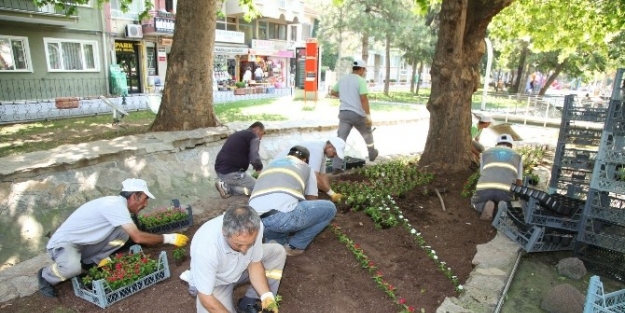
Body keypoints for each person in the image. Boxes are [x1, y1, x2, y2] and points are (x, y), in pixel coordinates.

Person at [37, 178, 189, 298]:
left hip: (84, 245)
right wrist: (169, 238)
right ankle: (46, 276)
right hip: (64, 245)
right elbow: (138, 237)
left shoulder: (117, 205)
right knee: (72, 269)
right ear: (134, 196)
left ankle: (90, 264)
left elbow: (131, 234)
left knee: (123, 233)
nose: (146, 204)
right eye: (144, 199)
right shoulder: (114, 205)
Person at [188, 205, 285, 313]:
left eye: (250, 244)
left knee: (277, 252)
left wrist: (266, 295)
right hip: (216, 283)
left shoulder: (255, 227)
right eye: (239, 244)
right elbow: (206, 298)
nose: (244, 250)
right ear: (225, 232)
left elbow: (254, 263)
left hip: (239, 268)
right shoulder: (206, 248)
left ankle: (249, 302)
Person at [249, 145, 337, 256]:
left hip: (255, 220)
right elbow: (311, 200)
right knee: (329, 208)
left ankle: (274, 242)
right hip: (281, 219)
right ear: (305, 159)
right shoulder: (305, 167)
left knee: (286, 206)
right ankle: (294, 246)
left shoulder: (270, 166)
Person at [330, 59, 378, 173]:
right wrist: (368, 116)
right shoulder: (360, 81)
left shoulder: (343, 79)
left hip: (344, 114)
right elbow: (363, 99)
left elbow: (333, 92)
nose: (364, 72)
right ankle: (372, 153)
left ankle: (336, 166)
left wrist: (346, 96)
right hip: (357, 114)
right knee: (367, 134)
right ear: (361, 69)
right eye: (364, 70)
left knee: (340, 140)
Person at [272, 137, 346, 202]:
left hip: (285, 171)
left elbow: (323, 175)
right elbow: (314, 178)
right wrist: (331, 193)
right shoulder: (317, 150)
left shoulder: (322, 151)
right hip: (277, 172)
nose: (335, 155)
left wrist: (331, 193)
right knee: (311, 187)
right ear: (330, 147)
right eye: (335, 153)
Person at [471, 134, 523, 221]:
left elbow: (482, 173)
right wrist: (518, 197)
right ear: (511, 146)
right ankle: (503, 206)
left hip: (485, 188)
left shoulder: (484, 153)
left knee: (475, 202)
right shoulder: (518, 156)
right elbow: (519, 181)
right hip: (505, 190)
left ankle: (484, 206)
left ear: (496, 145)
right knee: (507, 200)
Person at [214, 122, 265, 198]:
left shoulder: (239, 134)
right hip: (232, 173)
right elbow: (254, 156)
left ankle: (225, 184)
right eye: (262, 133)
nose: (261, 138)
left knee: (244, 181)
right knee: (259, 189)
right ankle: (226, 187)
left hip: (220, 170)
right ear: (257, 129)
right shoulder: (253, 136)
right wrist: (259, 168)